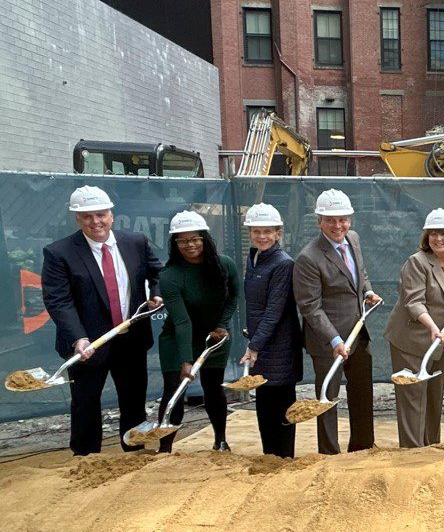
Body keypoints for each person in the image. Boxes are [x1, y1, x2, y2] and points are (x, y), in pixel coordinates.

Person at [40, 186, 163, 456]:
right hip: (87, 344)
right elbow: (58, 300)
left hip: (129, 339)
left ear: (111, 215)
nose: (96, 222)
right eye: (87, 217)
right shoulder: (59, 253)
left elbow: (159, 274)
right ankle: (85, 459)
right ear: (77, 219)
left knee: (133, 402)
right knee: (85, 404)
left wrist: (156, 294)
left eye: (101, 214)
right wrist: (78, 337)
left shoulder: (135, 242)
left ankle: (135, 452)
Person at [293, 189, 382, 455]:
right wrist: (334, 340)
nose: (337, 225)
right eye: (330, 220)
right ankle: (329, 452)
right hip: (327, 342)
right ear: (319, 221)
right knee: (328, 398)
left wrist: (367, 291)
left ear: (350, 220)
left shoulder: (352, 239)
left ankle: (362, 446)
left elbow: (360, 272)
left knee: (362, 393)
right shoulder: (308, 257)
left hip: (359, 334)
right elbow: (310, 306)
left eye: (342, 219)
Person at [155, 210, 240, 452]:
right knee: (175, 390)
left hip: (215, 337)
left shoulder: (225, 265)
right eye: (182, 241)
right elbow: (182, 321)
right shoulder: (170, 276)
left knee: (213, 387)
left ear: (204, 238)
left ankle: (220, 440)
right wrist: (185, 360)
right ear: (175, 243)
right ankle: (165, 447)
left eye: (195, 239)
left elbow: (233, 297)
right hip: (177, 339)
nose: (190, 245)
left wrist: (222, 325)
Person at [383, 208, 444, 448]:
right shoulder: (416, 262)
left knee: (433, 397)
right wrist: (431, 325)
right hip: (412, 339)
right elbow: (414, 301)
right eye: (433, 234)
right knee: (413, 398)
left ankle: (431, 447)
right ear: (426, 237)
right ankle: (412, 452)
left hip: (442, 340)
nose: (438, 239)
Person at [240, 203, 302, 458]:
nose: (262, 236)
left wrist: (254, 345)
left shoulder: (283, 263)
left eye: (268, 231)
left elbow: (274, 311)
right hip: (262, 343)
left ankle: (285, 458)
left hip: (279, 346)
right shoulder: (254, 258)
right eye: (256, 231)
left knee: (282, 404)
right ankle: (270, 457)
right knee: (265, 403)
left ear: (278, 233)